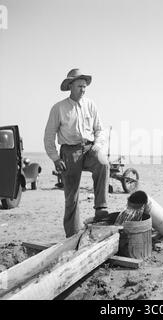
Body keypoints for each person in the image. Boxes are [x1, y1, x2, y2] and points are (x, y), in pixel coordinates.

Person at [44, 68, 110, 238]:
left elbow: (100, 130)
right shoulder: (58, 108)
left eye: (85, 86)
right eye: (80, 85)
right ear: (71, 85)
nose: (83, 89)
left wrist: (98, 144)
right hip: (69, 152)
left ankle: (101, 208)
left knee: (103, 163)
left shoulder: (90, 105)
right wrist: (55, 158)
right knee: (71, 194)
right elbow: (49, 136)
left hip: (89, 149)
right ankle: (72, 234)